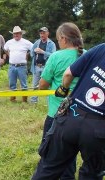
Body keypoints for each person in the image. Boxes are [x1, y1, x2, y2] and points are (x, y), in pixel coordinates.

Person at [32, 41, 105, 180]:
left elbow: (68, 74)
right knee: (92, 174)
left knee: (48, 169)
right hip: (99, 130)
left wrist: (63, 89)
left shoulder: (102, 48)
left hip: (70, 117)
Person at [35, 22, 84, 179]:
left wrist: (41, 84)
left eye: (58, 39)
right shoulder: (88, 54)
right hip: (81, 118)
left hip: (57, 116)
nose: (58, 42)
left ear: (63, 38)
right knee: (70, 157)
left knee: (49, 159)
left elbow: (43, 85)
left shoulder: (56, 56)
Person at [4, 26, 33, 102]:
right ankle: (13, 99)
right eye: (15, 34)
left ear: (21, 34)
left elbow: (33, 49)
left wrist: (27, 54)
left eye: (17, 33)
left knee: (24, 84)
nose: (16, 35)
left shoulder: (26, 42)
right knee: (12, 83)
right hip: (12, 66)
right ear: (13, 34)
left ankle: (24, 100)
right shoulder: (9, 42)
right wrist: (9, 55)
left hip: (22, 66)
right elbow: (5, 49)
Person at [29, 27, 56, 103]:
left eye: (43, 33)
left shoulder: (51, 44)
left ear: (47, 33)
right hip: (36, 66)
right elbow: (31, 53)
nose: (42, 35)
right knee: (35, 85)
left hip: (46, 67)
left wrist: (43, 52)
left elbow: (53, 56)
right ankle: (33, 102)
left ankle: (49, 102)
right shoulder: (37, 42)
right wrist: (34, 52)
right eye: (41, 33)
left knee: (47, 85)